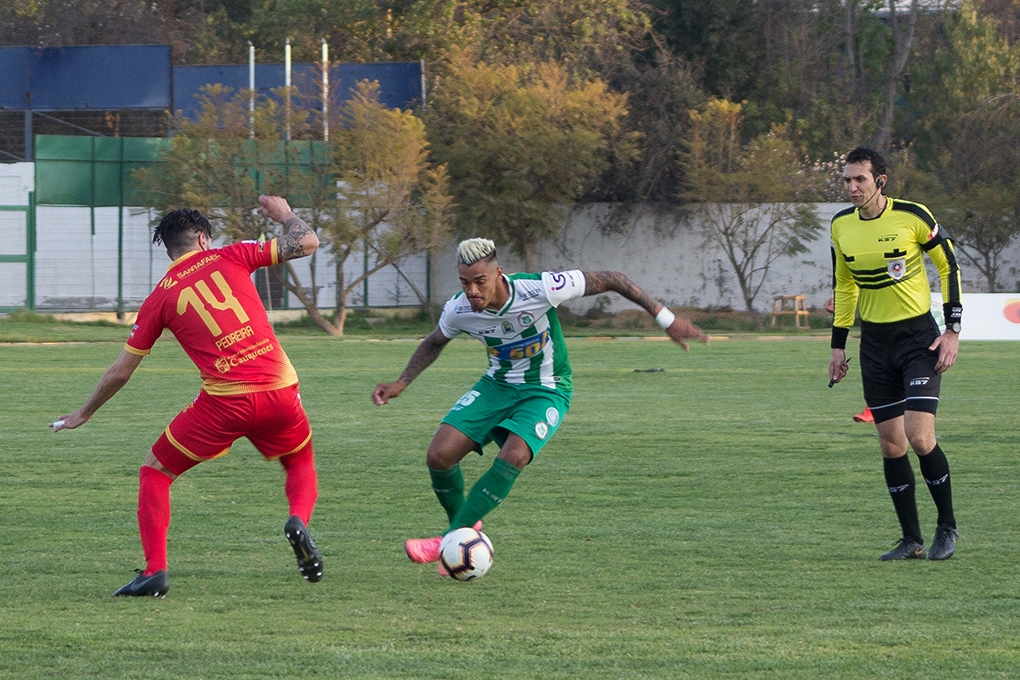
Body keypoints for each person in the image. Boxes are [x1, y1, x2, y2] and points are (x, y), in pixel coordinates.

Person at [372, 238, 707, 573]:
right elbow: (434, 342)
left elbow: (614, 278)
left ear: (499, 274)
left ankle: (450, 539)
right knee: (439, 455)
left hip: (547, 389)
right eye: (464, 283)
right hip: (497, 386)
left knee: (515, 454)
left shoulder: (540, 289)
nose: (472, 291)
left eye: (480, 281)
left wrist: (667, 319)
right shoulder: (458, 309)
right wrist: (402, 382)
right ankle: (464, 526)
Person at [51, 196, 323, 596]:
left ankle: (155, 572)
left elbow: (120, 371)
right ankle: (298, 519)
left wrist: (84, 412)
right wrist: (283, 214)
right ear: (202, 237)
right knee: (299, 460)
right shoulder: (234, 255)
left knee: (155, 472)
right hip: (279, 388)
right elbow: (308, 242)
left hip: (223, 405)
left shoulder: (160, 297)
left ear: (168, 247)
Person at [828, 146, 963, 561]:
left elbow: (949, 265)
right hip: (874, 345)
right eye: (847, 180)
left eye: (860, 180)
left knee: (920, 436)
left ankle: (947, 528)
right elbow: (845, 286)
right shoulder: (839, 227)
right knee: (891, 444)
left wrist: (953, 329)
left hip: (918, 340)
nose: (852, 187)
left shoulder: (913, 216)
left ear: (880, 181)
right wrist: (837, 345)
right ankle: (911, 539)